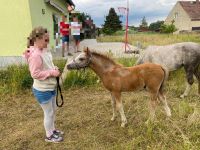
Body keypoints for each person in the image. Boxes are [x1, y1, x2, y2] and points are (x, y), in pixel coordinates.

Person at [23, 26, 64, 143]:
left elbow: (46, 65)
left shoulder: (43, 50)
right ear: (37, 40)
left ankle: (53, 130)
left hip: (50, 87)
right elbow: (35, 73)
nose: (48, 43)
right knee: (49, 113)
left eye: (48, 40)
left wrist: (53, 68)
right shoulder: (35, 55)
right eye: (46, 40)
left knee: (53, 111)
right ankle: (49, 136)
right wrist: (52, 72)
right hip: (42, 90)